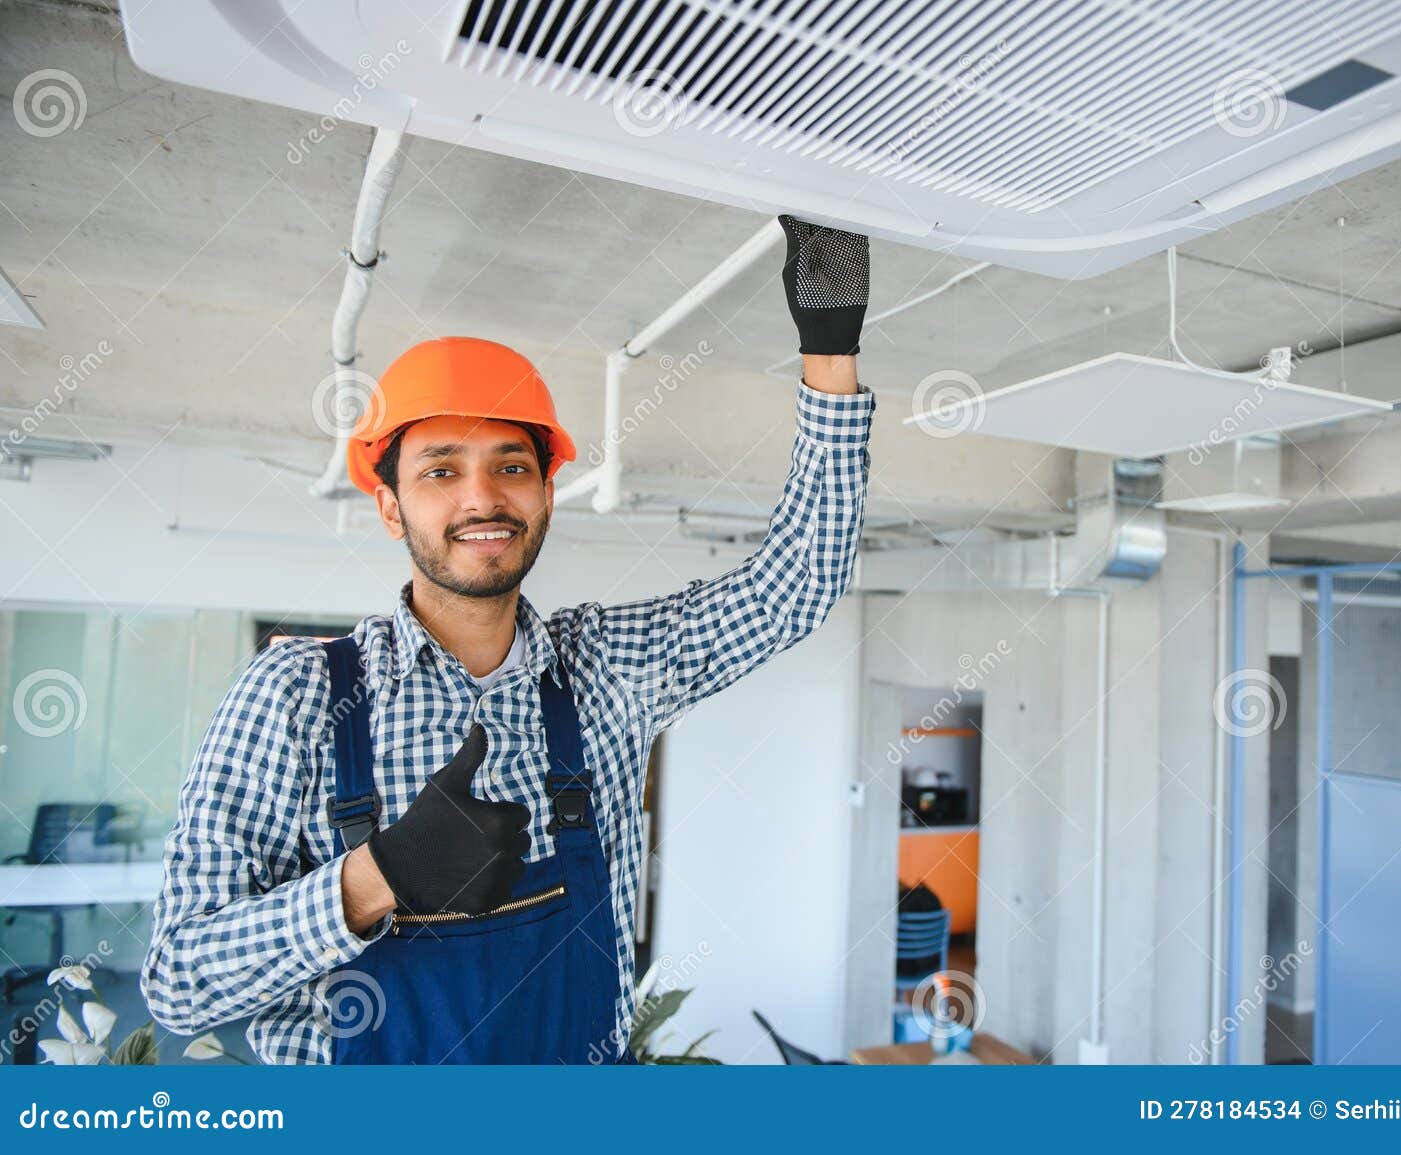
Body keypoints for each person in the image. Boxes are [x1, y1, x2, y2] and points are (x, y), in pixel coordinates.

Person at [141, 217, 876, 1064]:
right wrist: (376, 876)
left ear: (546, 495)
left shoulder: (607, 669)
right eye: (441, 469)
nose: (483, 497)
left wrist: (829, 343)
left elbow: (797, 583)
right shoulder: (296, 696)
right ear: (390, 509)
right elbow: (178, 981)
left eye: (512, 465)